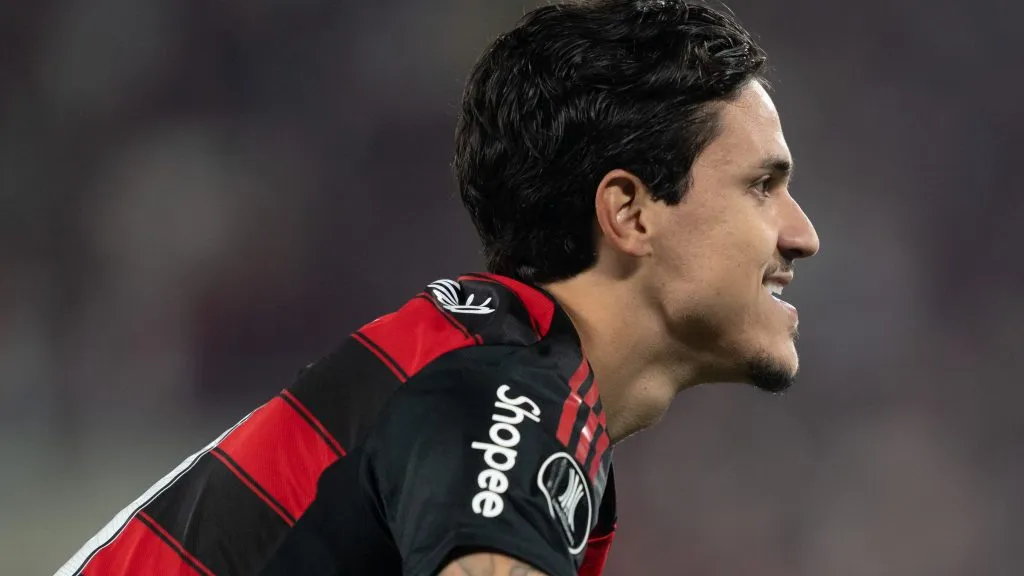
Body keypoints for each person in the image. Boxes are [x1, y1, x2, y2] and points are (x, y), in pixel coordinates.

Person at [55, 0, 820, 575]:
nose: (802, 234)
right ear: (629, 212)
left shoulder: (476, 362)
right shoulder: (504, 389)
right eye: (761, 187)